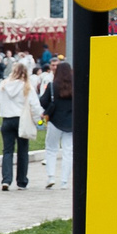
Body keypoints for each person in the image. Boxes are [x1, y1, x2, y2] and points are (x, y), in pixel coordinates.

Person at [0, 55, 41, 191]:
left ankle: (6, 180)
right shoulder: (27, 87)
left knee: (7, 151)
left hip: (7, 119)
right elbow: (34, 106)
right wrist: (38, 120)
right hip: (22, 120)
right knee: (23, 151)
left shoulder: (3, 85)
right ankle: (21, 181)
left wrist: (6, 107)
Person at [40, 59, 76, 190]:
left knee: (51, 149)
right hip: (71, 123)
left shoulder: (52, 86)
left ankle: (51, 177)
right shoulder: (75, 87)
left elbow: (43, 101)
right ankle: (64, 181)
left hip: (55, 121)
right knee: (68, 151)